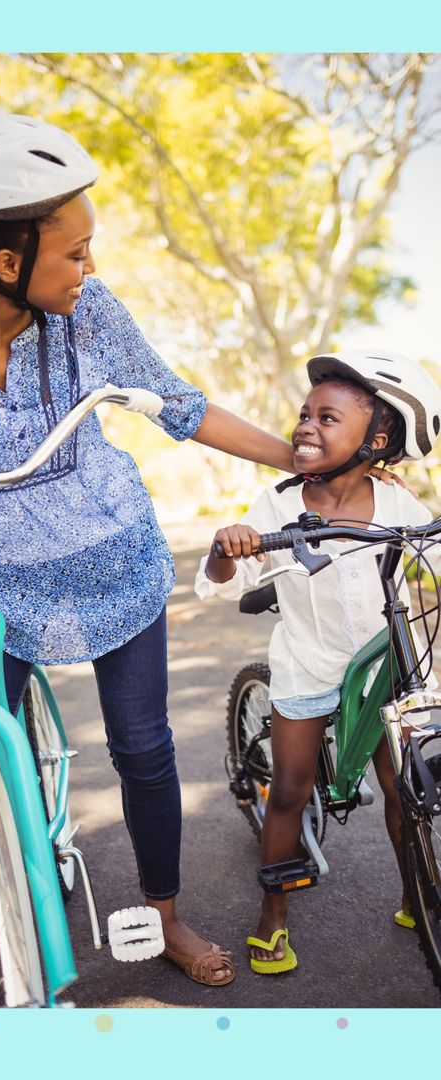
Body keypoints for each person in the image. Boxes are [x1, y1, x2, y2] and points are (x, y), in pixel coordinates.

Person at [0, 112, 304, 987]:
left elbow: (180, 406)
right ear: (5, 258)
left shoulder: (88, 316)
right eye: (76, 251)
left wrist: (300, 461)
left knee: (143, 747)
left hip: (111, 556)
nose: (90, 268)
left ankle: (165, 917)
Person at [195, 350, 441, 974]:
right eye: (306, 414)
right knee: (290, 791)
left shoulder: (396, 505)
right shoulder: (278, 503)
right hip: (308, 661)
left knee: (403, 786)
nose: (306, 426)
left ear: (377, 441)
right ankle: (273, 915)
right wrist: (229, 546)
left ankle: (418, 889)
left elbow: (430, 545)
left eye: (328, 418)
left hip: (383, 666)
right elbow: (221, 579)